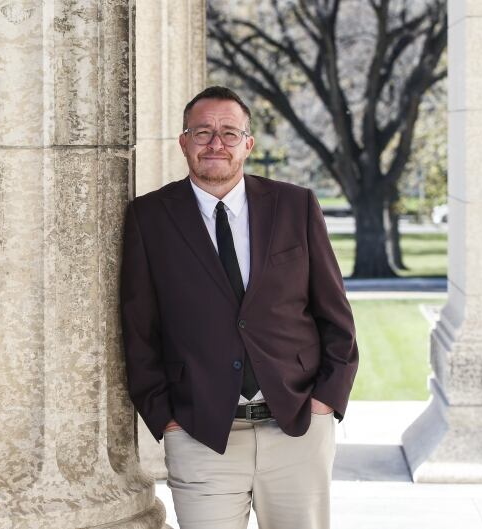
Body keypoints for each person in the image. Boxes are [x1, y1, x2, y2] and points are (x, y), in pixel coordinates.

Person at [120, 86, 358, 529]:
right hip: (202, 435)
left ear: (248, 143)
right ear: (183, 141)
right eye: (203, 132)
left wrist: (327, 402)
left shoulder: (296, 206)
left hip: (297, 428)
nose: (215, 143)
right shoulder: (149, 218)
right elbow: (138, 332)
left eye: (229, 133)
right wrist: (166, 420)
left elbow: (335, 316)